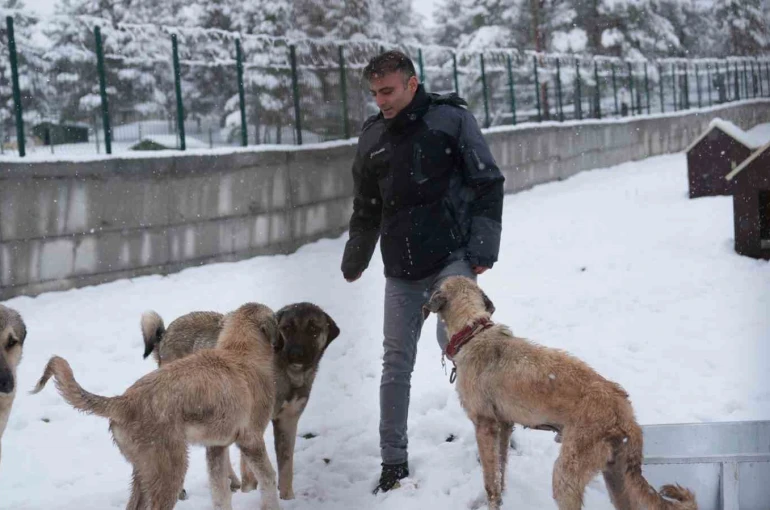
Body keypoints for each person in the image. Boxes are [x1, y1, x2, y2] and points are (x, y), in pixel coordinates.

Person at [340, 50, 505, 494]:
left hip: (452, 256)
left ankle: (496, 432)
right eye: (374, 93)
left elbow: (487, 182)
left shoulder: (451, 120)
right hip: (401, 267)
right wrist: (356, 257)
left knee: (467, 345)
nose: (381, 101)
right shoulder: (373, 136)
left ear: (412, 84)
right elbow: (366, 206)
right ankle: (393, 463)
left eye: (388, 91)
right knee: (396, 362)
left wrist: (482, 248)